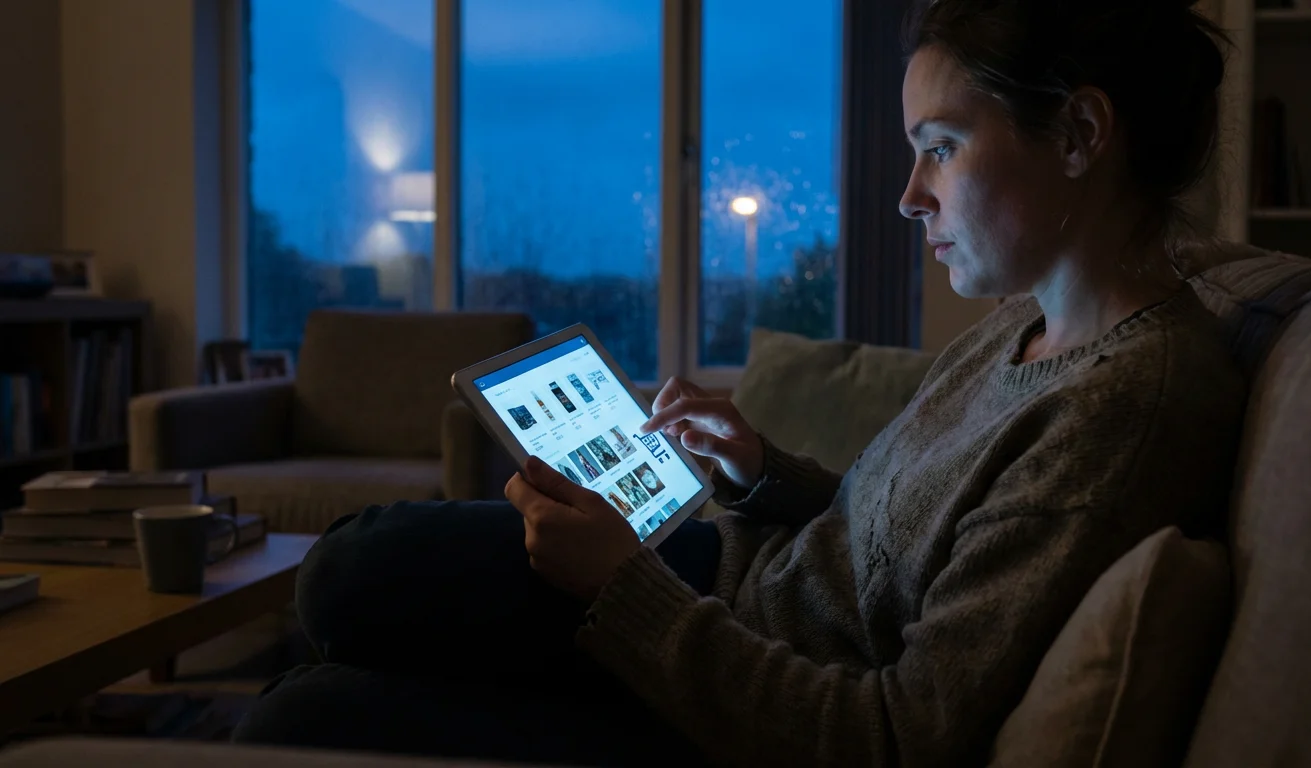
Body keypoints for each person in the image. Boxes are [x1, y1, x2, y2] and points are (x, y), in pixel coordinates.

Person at [233, 1, 1245, 765]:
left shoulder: (1120, 407)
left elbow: (896, 734)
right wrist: (762, 472)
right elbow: (904, 542)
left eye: (940, 148)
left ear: (1078, 135)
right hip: (734, 582)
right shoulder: (1022, 326)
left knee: (307, 706)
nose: (909, 195)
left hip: (730, 685)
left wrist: (620, 589)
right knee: (351, 570)